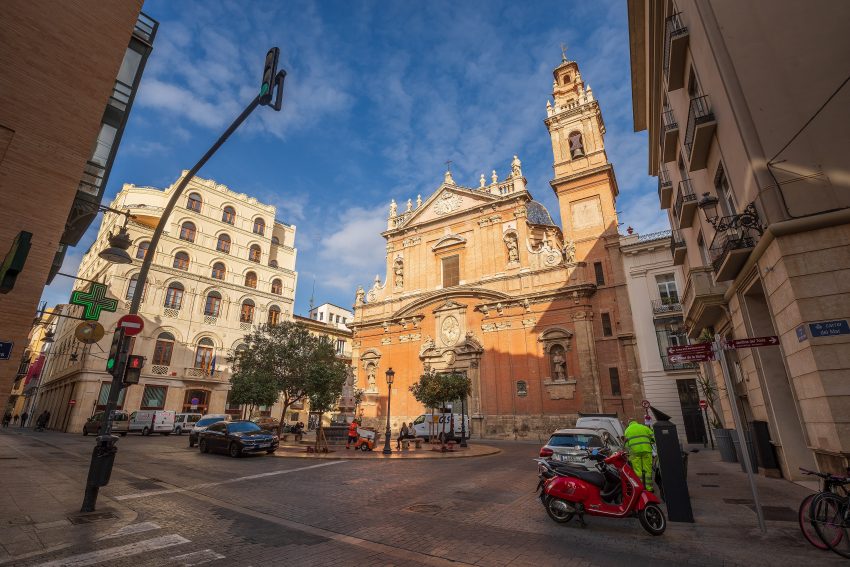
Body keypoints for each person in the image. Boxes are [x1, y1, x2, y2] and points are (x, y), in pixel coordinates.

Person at [624, 418, 655, 492]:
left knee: (638, 471)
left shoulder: (627, 430)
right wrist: (649, 442)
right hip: (646, 450)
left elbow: (626, 445)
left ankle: (640, 489)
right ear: (636, 422)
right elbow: (653, 438)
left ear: (629, 423)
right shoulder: (644, 427)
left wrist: (630, 452)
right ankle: (649, 488)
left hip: (634, 453)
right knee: (647, 469)